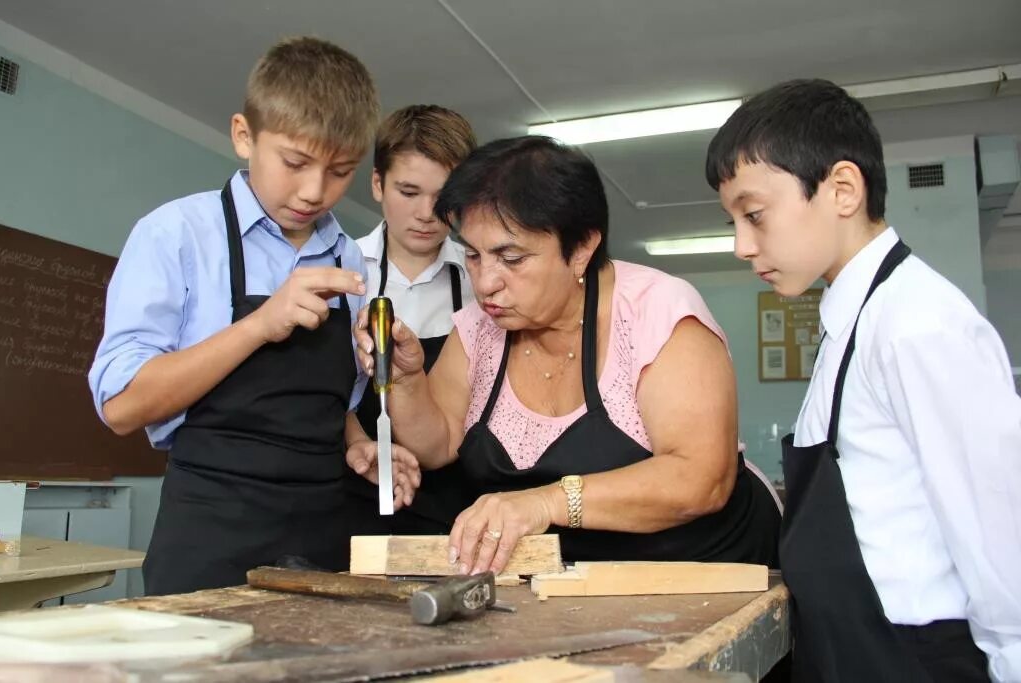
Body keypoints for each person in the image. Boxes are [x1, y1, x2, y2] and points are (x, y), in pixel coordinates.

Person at [706, 78, 1021, 682]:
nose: (743, 246)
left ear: (842, 189)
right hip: (847, 650)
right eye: (733, 223)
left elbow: (999, 536)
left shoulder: (917, 323)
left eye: (754, 215)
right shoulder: (849, 325)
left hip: (910, 660)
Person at [354, 135, 782, 576]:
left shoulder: (657, 312)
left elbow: (700, 480)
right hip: (583, 584)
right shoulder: (478, 328)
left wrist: (544, 502)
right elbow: (437, 443)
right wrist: (406, 379)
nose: (485, 283)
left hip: (712, 568)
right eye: (474, 256)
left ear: (581, 249)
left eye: (511, 258)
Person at [88, 37, 419, 596]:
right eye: (295, 162)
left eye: (339, 171)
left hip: (321, 535)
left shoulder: (346, 257)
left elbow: (325, 403)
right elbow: (121, 406)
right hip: (210, 533)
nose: (314, 192)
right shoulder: (176, 236)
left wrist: (356, 441)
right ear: (245, 135)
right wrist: (259, 324)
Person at [346, 105, 478, 535]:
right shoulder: (340, 272)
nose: (426, 213)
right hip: (355, 488)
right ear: (377, 184)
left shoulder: (483, 280)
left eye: (443, 197)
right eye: (408, 192)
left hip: (461, 500)